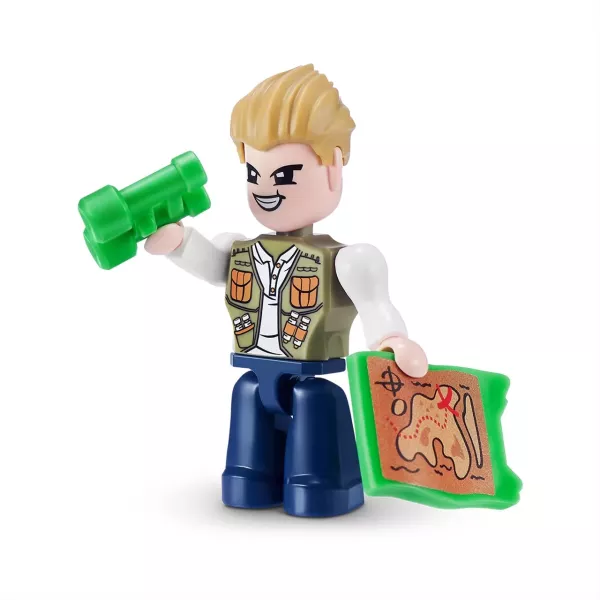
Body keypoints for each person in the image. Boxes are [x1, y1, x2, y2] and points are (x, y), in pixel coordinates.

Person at [145, 64, 427, 517]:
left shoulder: (347, 259)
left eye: (284, 175)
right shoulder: (240, 248)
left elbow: (376, 303)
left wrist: (393, 341)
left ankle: (322, 486)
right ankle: (249, 477)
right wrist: (179, 243)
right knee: (247, 404)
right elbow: (214, 267)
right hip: (255, 370)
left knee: (317, 411)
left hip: (311, 375)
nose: (265, 189)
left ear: (332, 169)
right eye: (253, 173)